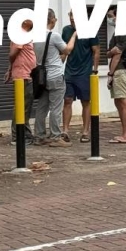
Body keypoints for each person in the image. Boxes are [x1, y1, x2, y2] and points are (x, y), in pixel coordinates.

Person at [33, 8, 75, 147]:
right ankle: (56, 137)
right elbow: (67, 50)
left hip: (41, 77)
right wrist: (74, 36)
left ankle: (39, 136)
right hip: (55, 75)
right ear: (52, 20)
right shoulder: (54, 36)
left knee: (42, 107)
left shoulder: (35, 36)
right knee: (56, 108)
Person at [61, 8, 100, 143]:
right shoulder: (66, 31)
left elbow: (96, 51)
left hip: (84, 72)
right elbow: (64, 50)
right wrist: (59, 64)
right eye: (71, 15)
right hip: (69, 72)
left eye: (75, 15)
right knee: (67, 100)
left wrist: (95, 70)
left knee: (86, 102)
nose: (72, 18)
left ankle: (85, 132)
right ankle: (65, 131)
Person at [105, 5, 126, 144]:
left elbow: (116, 54)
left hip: (120, 70)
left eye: (111, 16)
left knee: (123, 101)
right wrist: (111, 52)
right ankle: (124, 133)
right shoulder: (116, 32)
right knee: (118, 101)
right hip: (115, 71)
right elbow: (109, 52)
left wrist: (110, 74)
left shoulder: (124, 32)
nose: (109, 19)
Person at [6, 18, 37, 144]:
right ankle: (17, 136)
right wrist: (11, 69)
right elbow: (13, 54)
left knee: (25, 107)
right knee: (22, 107)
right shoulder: (20, 35)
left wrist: (10, 70)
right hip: (23, 76)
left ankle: (25, 134)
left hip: (26, 75)